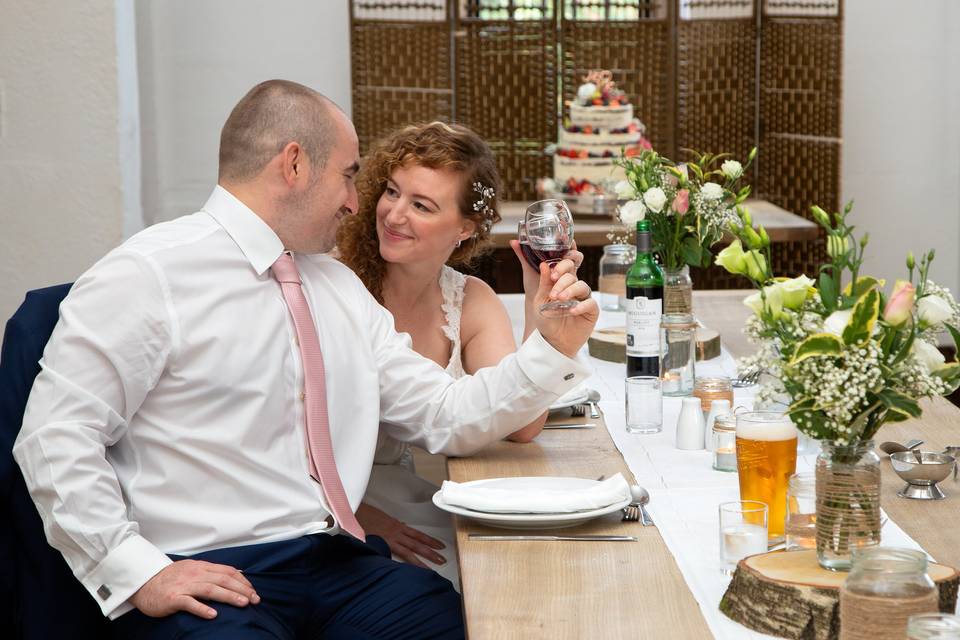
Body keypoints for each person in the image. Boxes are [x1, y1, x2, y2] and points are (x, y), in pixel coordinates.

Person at [12, 79, 598, 640]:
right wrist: (136, 569)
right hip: (214, 572)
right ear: (293, 165)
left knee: (472, 625)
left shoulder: (335, 287)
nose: (356, 202)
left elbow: (445, 412)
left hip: (336, 563)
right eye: (348, 176)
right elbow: (54, 437)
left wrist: (551, 347)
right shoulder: (147, 274)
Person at [337, 121, 575, 586]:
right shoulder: (335, 283)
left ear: (465, 228)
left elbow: (521, 426)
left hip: (398, 494)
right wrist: (362, 517)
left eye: (421, 205)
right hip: (322, 502)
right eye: (391, 192)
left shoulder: (468, 299)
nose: (393, 214)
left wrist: (534, 298)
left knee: (513, 572)